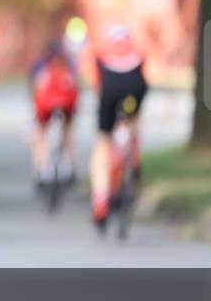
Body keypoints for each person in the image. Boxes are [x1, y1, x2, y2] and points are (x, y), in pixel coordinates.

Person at [89, 23, 148, 232]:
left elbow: (99, 86)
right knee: (134, 119)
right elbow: (142, 80)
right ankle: (135, 155)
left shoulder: (102, 53)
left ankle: (101, 200)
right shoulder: (138, 53)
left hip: (110, 91)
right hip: (134, 92)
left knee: (103, 141)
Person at [29, 40, 79, 187]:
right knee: (68, 131)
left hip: (45, 106)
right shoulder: (68, 64)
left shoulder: (40, 65)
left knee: (41, 133)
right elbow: (75, 86)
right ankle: (71, 167)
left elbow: (34, 87)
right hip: (66, 105)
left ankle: (40, 169)